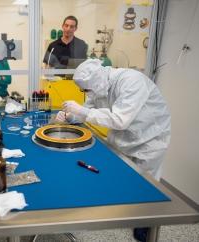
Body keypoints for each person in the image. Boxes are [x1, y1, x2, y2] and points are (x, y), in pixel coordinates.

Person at [56, 58, 171, 242]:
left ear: (95, 82)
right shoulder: (98, 86)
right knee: (125, 180)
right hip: (123, 139)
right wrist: (70, 116)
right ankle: (128, 213)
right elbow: (87, 111)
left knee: (147, 188)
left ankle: (145, 226)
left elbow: (120, 119)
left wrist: (81, 111)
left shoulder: (132, 81)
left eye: (86, 90)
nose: (86, 93)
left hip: (149, 142)